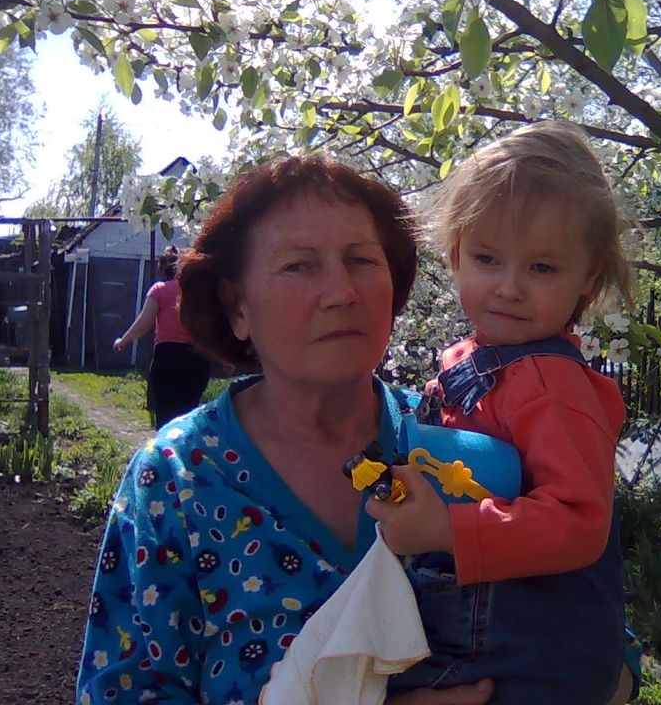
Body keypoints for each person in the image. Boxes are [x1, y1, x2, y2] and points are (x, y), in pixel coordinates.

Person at [77, 155, 494, 705]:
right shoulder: (177, 481)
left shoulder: (460, 444)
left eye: (362, 260)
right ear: (238, 308)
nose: (342, 291)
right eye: (299, 266)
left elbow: (580, 639)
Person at [368, 120, 638, 705]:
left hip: (519, 655)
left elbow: (578, 521)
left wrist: (445, 530)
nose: (510, 287)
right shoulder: (477, 362)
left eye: (542, 268)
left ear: (587, 277)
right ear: (456, 254)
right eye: (488, 258)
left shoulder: (549, 383)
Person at [113, 245, 211, 428]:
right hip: (197, 360)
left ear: (163, 267)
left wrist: (123, 340)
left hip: (168, 359)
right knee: (188, 416)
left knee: (166, 417)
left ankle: (166, 446)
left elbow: (144, 324)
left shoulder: (159, 290)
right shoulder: (198, 292)